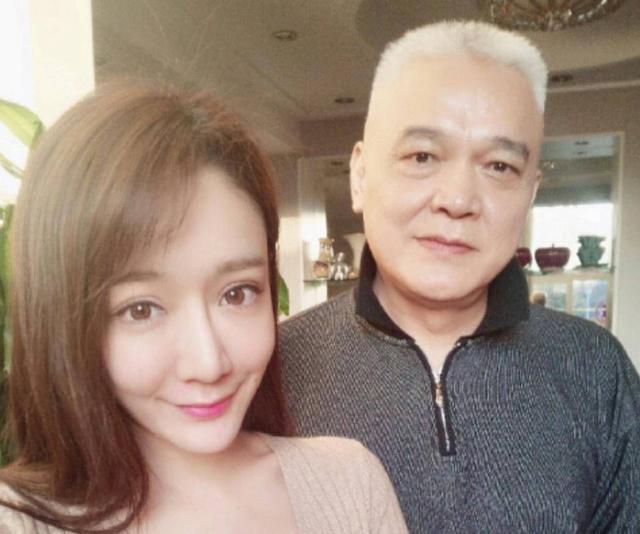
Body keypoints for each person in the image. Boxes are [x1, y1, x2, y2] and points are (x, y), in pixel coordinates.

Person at [279, 20, 640, 533]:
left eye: (499, 167)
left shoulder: (594, 369)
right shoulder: (275, 370)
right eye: (422, 156)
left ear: (530, 193)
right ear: (360, 176)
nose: (457, 200)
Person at [0, 82, 407, 533]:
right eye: (141, 310)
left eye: (237, 293)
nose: (208, 364)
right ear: (61, 323)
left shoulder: (348, 485)